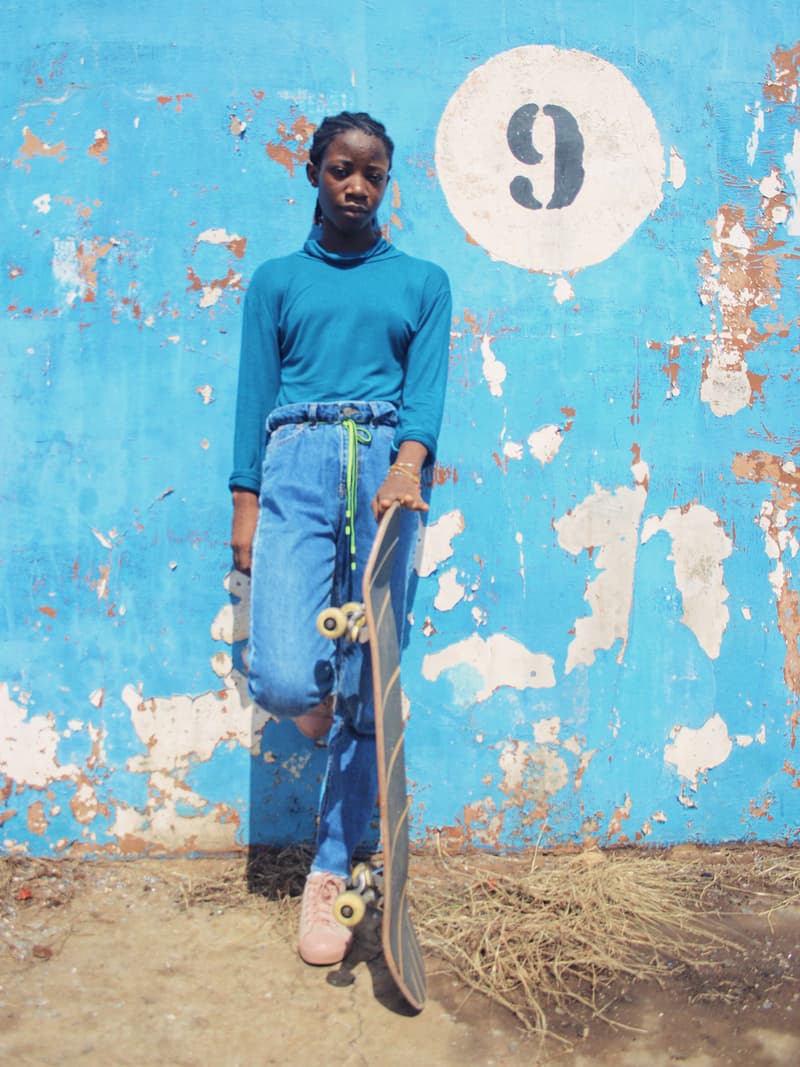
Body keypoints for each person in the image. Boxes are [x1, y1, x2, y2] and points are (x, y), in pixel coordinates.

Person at [229, 111, 451, 966]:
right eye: (341, 170)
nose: (357, 186)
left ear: (387, 183)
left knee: (372, 679)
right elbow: (255, 394)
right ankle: (330, 713)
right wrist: (245, 507)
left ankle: (332, 866)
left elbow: (425, 392)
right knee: (286, 674)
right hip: (296, 457)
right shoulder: (277, 281)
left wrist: (407, 465)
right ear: (313, 171)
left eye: (374, 174)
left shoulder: (423, 281)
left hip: (387, 471)